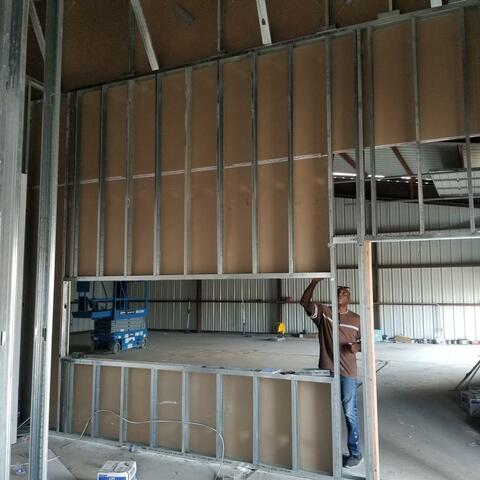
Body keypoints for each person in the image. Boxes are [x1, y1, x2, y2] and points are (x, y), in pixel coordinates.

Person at [300, 279, 363, 469]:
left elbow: (366, 342)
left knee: (349, 412)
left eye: (345, 292)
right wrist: (314, 282)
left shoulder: (357, 319)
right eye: (338, 291)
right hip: (328, 370)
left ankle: (356, 453)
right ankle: (326, 450)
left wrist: (357, 347)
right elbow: (304, 302)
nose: (341, 293)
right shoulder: (324, 313)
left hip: (348, 372)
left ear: (349, 298)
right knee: (325, 411)